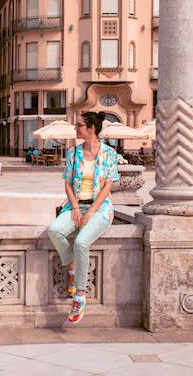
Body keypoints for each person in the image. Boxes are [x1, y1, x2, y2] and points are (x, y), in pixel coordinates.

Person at [46, 111, 119, 325]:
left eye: (79, 126)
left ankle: (79, 295)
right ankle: (70, 265)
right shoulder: (73, 153)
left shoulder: (109, 154)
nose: (75, 129)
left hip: (100, 209)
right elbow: (67, 183)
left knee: (81, 242)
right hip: (76, 205)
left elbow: (108, 185)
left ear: (91, 129)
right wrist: (76, 209)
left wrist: (91, 211)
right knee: (55, 230)